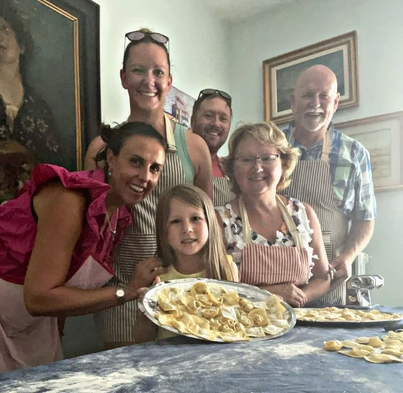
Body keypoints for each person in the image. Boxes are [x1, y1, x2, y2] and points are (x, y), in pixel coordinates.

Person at [0, 122, 168, 377]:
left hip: (30, 326)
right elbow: (38, 298)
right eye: (135, 162)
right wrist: (127, 291)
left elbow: (62, 280)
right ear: (111, 159)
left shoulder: (119, 215)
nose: (145, 176)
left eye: (154, 168)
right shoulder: (70, 199)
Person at [84, 29, 213, 347]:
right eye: (139, 70)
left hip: (183, 289)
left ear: (169, 82)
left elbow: (208, 224)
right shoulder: (101, 148)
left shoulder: (194, 147)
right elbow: (90, 224)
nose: (149, 80)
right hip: (121, 290)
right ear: (123, 77)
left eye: (158, 72)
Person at [281, 64, 376, 306]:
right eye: (307, 95)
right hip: (279, 280)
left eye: (324, 96)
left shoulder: (355, 154)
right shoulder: (271, 147)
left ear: (335, 103)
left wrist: (348, 257)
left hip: (332, 279)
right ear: (293, 102)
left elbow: (365, 218)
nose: (316, 103)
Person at [216, 122, 330, 308]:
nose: (257, 167)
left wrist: (300, 296)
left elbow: (323, 277)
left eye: (267, 158)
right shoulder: (219, 220)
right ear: (233, 168)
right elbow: (214, 288)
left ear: (283, 163)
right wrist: (270, 294)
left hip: (299, 324)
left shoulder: (303, 213)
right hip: (242, 327)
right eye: (246, 159)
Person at [0, 0, 62, 221]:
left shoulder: (39, 105)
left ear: (22, 42)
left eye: (5, 28)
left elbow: (53, 168)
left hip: (25, 222)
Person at [133, 184, 238, 342]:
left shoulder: (227, 268)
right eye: (175, 221)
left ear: (210, 223)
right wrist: (144, 314)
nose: (187, 229)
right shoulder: (157, 275)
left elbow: (234, 329)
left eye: (195, 218)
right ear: (163, 230)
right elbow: (142, 341)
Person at [191, 88, 235, 206]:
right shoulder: (177, 161)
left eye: (223, 118)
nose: (216, 124)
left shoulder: (231, 171)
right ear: (193, 121)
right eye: (208, 116)